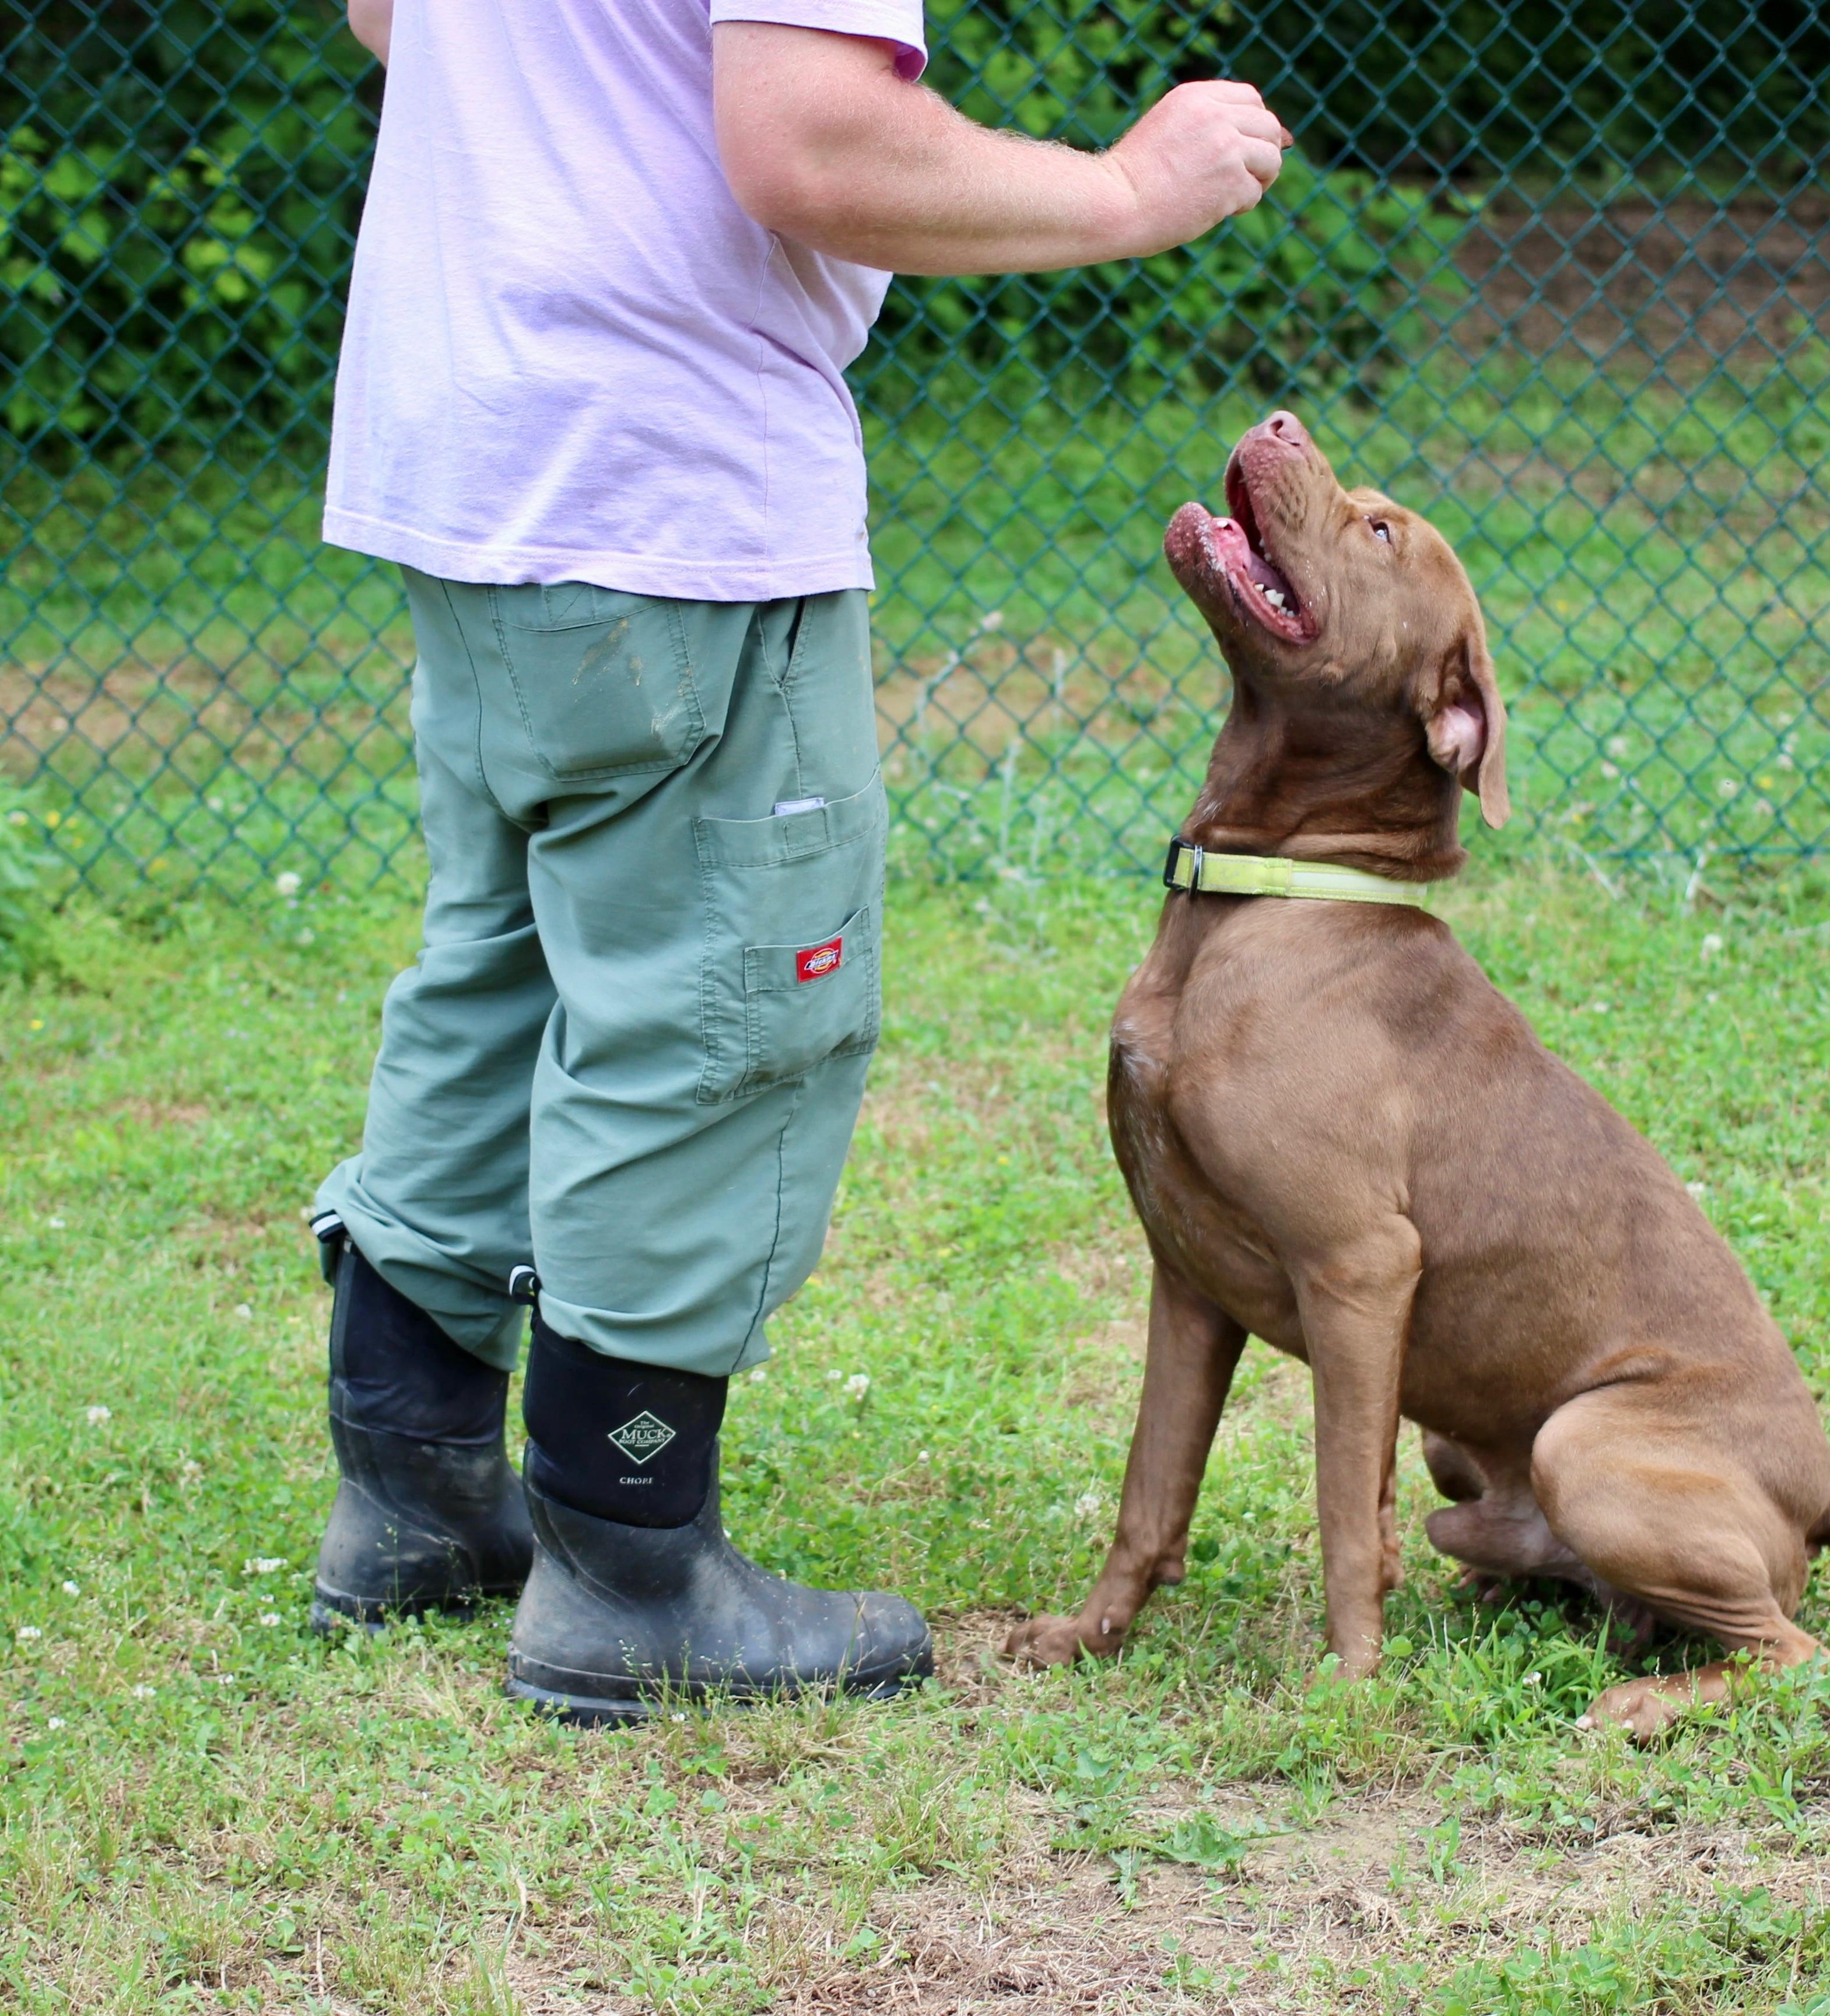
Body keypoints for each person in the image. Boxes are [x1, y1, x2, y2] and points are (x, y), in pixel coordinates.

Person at [309, 0, 1286, 1721]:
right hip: (657, 476)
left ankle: (415, 1490)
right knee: (724, 1007)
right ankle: (628, 1562)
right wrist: (1133, 190)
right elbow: (810, 145)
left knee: (506, 959)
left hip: (465, 437)